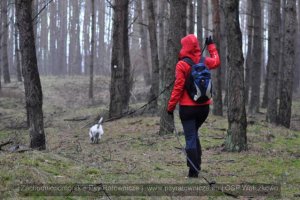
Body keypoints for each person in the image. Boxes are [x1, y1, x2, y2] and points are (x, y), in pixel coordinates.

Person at [167, 34, 220, 178]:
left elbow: (178, 88)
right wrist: (211, 46)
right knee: (194, 134)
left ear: (185, 47)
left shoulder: (182, 64)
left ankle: (193, 171)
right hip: (204, 108)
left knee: (190, 137)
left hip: (187, 109)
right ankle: (197, 164)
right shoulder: (204, 61)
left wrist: (170, 107)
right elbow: (216, 61)